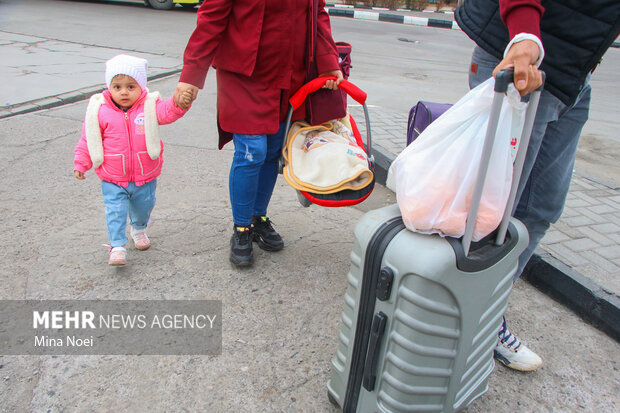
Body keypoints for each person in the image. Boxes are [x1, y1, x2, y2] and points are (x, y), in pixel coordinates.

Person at [455, 0, 620, 371]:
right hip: (522, 60)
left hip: (573, 73)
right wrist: (525, 33)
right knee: (490, 212)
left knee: (542, 207)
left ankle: (485, 312)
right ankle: (459, 318)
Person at [173, 0, 343, 267]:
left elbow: (317, 13)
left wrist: (329, 62)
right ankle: (241, 228)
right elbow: (211, 19)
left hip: (288, 76)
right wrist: (191, 76)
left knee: (273, 151)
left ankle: (257, 217)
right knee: (253, 151)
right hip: (245, 74)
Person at [74, 54, 192, 266]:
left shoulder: (148, 106)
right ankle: (117, 246)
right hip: (112, 176)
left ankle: (138, 228)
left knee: (144, 206)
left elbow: (168, 112)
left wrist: (179, 103)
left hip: (144, 174)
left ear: (141, 86)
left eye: (130, 86)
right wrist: (81, 162)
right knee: (115, 210)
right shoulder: (100, 111)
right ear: (109, 86)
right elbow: (88, 138)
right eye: (117, 86)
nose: (124, 92)